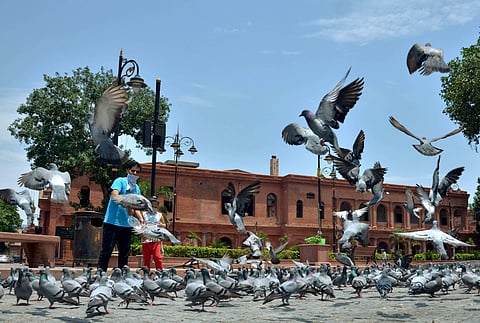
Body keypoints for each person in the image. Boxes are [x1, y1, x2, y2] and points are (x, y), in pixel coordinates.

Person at [97, 161, 145, 272]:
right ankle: (100, 274)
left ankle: (123, 276)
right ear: (128, 170)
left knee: (124, 252)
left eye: (137, 172)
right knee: (107, 250)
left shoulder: (136, 188)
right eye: (133, 171)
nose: (135, 173)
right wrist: (126, 203)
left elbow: (136, 206)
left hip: (126, 225)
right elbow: (114, 195)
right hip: (112, 222)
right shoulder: (120, 181)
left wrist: (141, 219)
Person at [141, 197, 166, 270]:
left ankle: (160, 273)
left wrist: (160, 225)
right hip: (146, 239)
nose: (154, 208)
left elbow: (164, 225)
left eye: (155, 207)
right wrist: (142, 233)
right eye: (152, 206)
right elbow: (140, 225)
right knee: (146, 259)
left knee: (158, 257)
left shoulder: (159, 215)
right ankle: (146, 274)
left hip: (156, 240)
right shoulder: (144, 214)